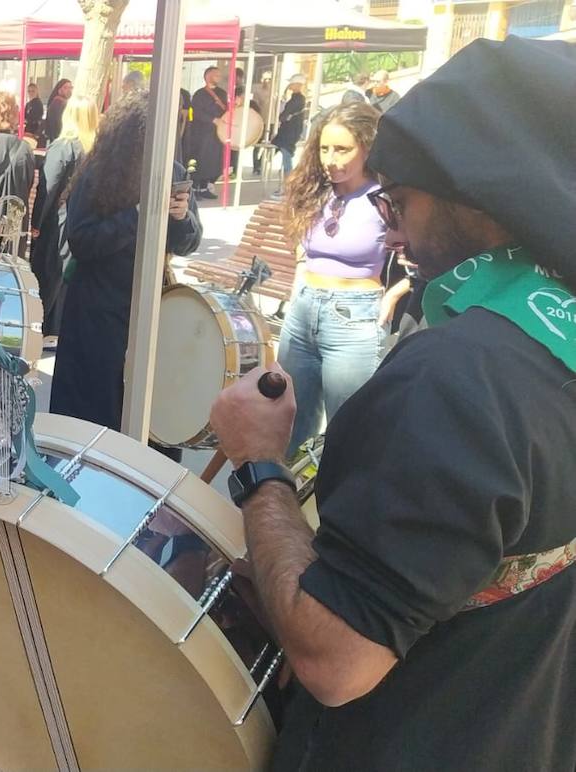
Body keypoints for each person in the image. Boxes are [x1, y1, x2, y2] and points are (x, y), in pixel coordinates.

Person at [209, 37, 576, 770]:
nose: (392, 227)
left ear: (481, 198)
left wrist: (258, 463)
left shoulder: (456, 378)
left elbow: (335, 659)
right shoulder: (548, 335)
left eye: (399, 200)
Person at [50, 89, 202, 442]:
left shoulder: (174, 171)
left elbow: (189, 243)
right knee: (93, 409)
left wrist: (181, 218)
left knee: (144, 409)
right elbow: (81, 240)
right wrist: (138, 213)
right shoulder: (98, 172)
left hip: (149, 305)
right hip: (97, 309)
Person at [277, 101, 387, 453]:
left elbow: (419, 254)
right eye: (324, 148)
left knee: (347, 430)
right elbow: (303, 249)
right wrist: (296, 292)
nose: (330, 159)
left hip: (353, 317)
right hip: (303, 310)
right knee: (289, 422)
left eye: (342, 149)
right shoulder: (314, 189)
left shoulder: (385, 196)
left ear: (367, 147)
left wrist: (394, 295)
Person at [30, 95, 97, 348]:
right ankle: (57, 328)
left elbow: (48, 186)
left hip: (59, 218)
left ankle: (44, 327)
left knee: (50, 271)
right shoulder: (96, 149)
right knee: (68, 274)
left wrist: (35, 222)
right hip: (85, 219)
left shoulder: (64, 146)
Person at [185, 66, 227, 199]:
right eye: (216, 75)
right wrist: (212, 119)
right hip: (201, 134)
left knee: (212, 161)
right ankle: (194, 189)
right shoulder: (199, 94)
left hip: (216, 134)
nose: (219, 77)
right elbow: (196, 112)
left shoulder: (222, 93)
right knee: (199, 161)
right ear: (207, 76)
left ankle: (204, 188)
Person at [270, 74, 308, 190]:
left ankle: (287, 187)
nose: (290, 85)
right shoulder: (296, 98)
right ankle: (286, 186)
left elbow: (284, 115)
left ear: (298, 85)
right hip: (289, 131)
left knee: (286, 161)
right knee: (285, 159)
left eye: (292, 83)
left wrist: (282, 116)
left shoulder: (297, 99)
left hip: (289, 132)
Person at [42, 78, 72, 143]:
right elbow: (58, 123)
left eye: (70, 88)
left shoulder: (61, 102)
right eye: (65, 87)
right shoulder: (59, 102)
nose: (69, 90)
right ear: (59, 90)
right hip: (59, 139)